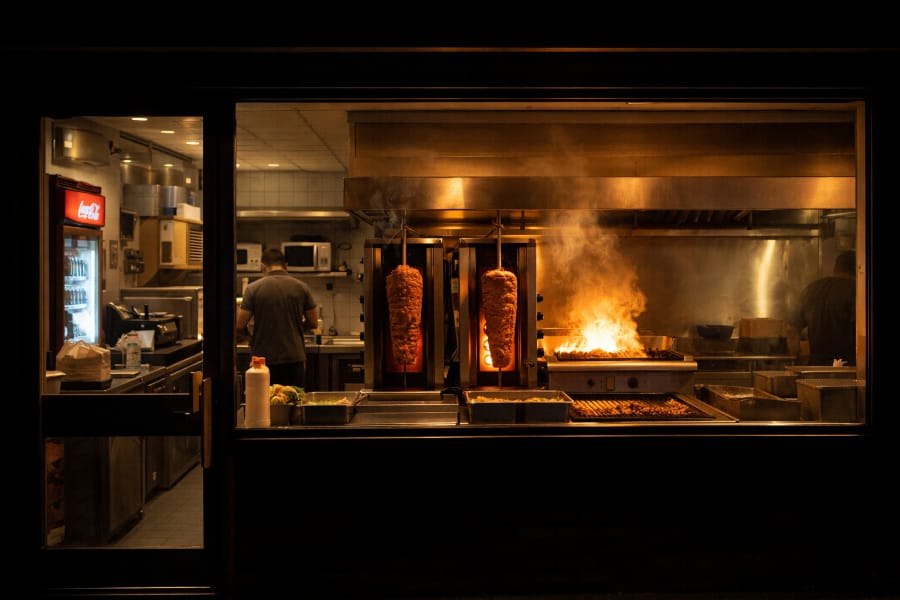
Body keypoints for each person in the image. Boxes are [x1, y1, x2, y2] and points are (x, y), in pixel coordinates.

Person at [237, 248, 319, 388]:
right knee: (293, 401)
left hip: (262, 360)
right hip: (294, 358)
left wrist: (251, 338)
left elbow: (239, 325)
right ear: (286, 265)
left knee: (264, 403)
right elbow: (313, 323)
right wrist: (295, 328)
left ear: (263, 266)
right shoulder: (301, 287)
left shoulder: (253, 288)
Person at [787, 250, 856, 366]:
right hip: (849, 369)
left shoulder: (812, 289)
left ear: (835, 269)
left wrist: (794, 360)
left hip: (815, 369)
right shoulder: (857, 290)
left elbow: (792, 331)